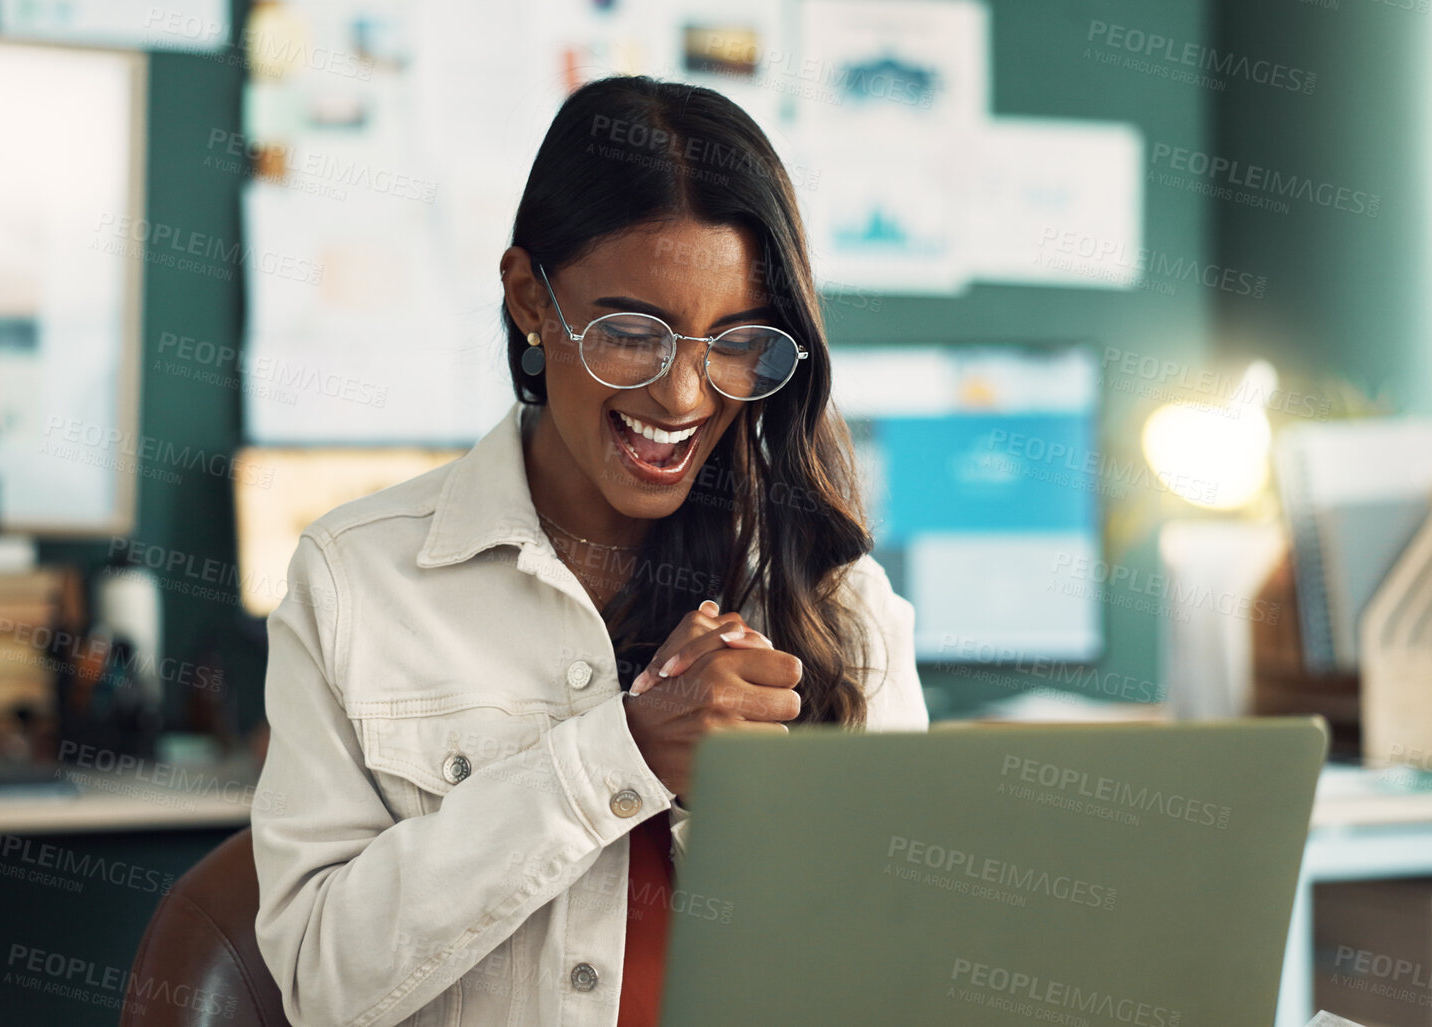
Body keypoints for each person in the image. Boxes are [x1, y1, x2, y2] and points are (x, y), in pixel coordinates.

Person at [252, 75, 928, 1027]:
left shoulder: (833, 597)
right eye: (628, 333)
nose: (685, 397)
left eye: (733, 342)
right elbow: (323, 981)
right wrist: (620, 753)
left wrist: (729, 806)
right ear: (530, 299)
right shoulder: (355, 577)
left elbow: (889, 971)